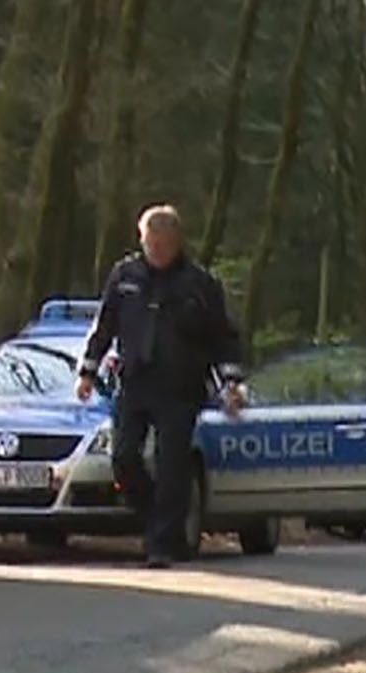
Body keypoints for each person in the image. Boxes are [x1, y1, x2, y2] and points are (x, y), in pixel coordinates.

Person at [76, 204, 247, 569]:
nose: (155, 251)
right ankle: (157, 518)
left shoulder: (199, 284)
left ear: (175, 242)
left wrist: (231, 383)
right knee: (123, 457)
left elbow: (223, 338)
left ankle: (162, 544)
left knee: (173, 465)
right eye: (149, 243)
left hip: (180, 387)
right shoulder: (125, 277)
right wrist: (87, 372)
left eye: (162, 245)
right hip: (135, 381)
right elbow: (105, 326)